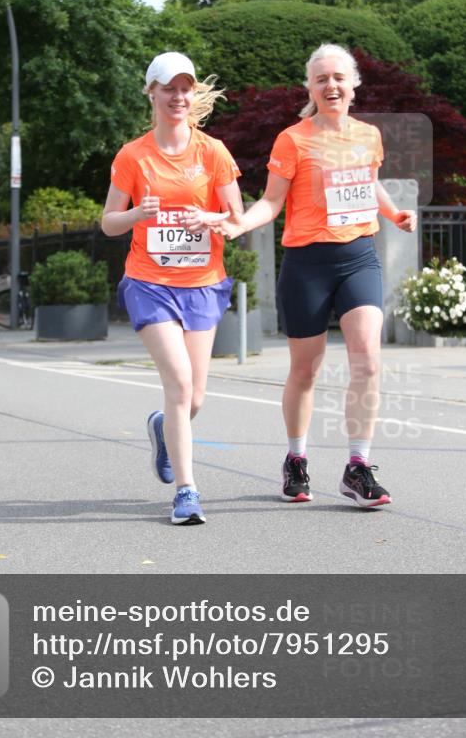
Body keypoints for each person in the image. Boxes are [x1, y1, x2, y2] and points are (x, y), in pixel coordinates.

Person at [213, 43, 416, 507]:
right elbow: (271, 202)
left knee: (367, 358)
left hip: (358, 257)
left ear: (354, 85)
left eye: (339, 77)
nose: (331, 85)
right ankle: (296, 459)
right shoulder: (293, 139)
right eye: (322, 79)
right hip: (306, 264)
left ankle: (358, 466)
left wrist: (393, 213)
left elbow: (368, 182)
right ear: (310, 87)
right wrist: (240, 221)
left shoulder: (368, 136)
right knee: (305, 371)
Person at [102, 52, 243, 525]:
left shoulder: (213, 152)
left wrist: (212, 218)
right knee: (180, 384)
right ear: (152, 93)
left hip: (203, 284)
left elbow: (238, 220)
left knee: (193, 398)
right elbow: (108, 223)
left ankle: (163, 429)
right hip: (150, 281)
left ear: (193, 93)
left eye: (185, 88)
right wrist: (137, 215)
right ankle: (187, 491)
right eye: (168, 88)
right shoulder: (133, 155)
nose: (178, 96)